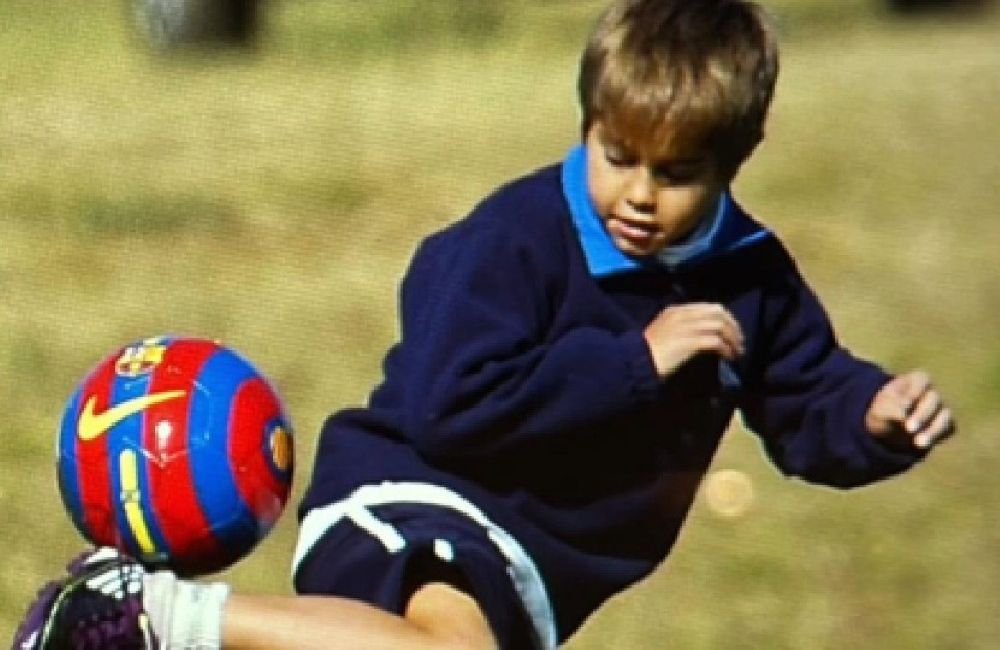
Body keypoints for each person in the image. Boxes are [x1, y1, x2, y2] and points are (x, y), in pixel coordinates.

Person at [13, 0, 955, 648]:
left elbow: (806, 403)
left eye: (674, 176)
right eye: (617, 155)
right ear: (587, 120)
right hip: (415, 491)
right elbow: (452, 408)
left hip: (535, 568)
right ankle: (147, 617)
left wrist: (873, 416)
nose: (637, 194)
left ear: (736, 159)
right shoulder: (512, 240)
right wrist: (635, 363)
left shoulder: (752, 277)